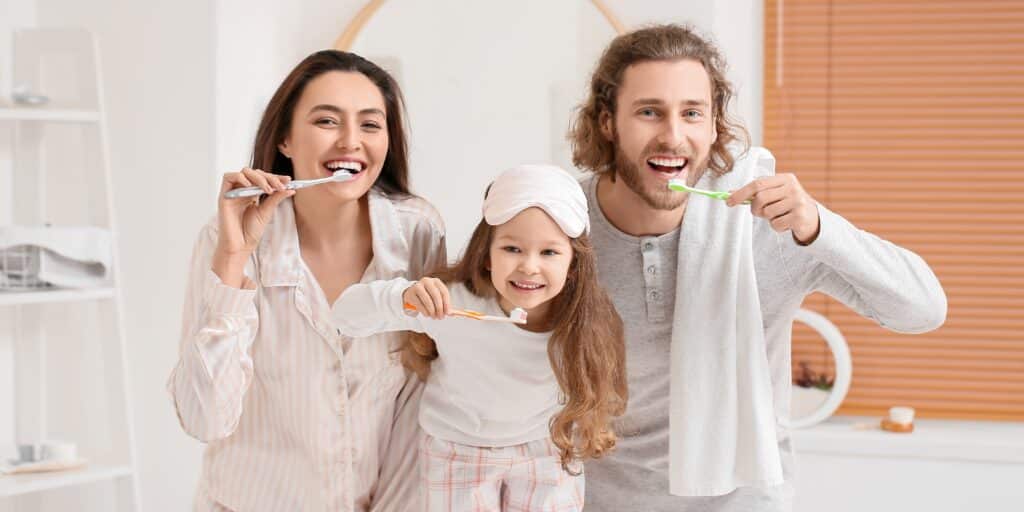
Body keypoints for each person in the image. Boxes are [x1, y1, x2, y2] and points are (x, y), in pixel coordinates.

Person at [568, 24, 947, 511]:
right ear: (607, 122)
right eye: (649, 112)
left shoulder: (768, 228)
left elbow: (924, 309)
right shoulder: (559, 227)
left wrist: (818, 226)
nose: (673, 135)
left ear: (714, 125)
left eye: (692, 113)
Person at [167, 50, 446, 511]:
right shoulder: (227, 240)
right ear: (285, 139)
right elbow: (204, 419)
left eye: (371, 125)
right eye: (326, 122)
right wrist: (234, 260)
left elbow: (423, 402)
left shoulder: (417, 233)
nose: (351, 141)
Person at [334, 164, 627, 511]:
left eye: (549, 252)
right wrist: (403, 297)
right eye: (512, 249)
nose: (529, 266)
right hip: (458, 451)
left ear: (573, 265)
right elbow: (344, 316)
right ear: (487, 255)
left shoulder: (582, 325)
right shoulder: (451, 304)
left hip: (543, 451)